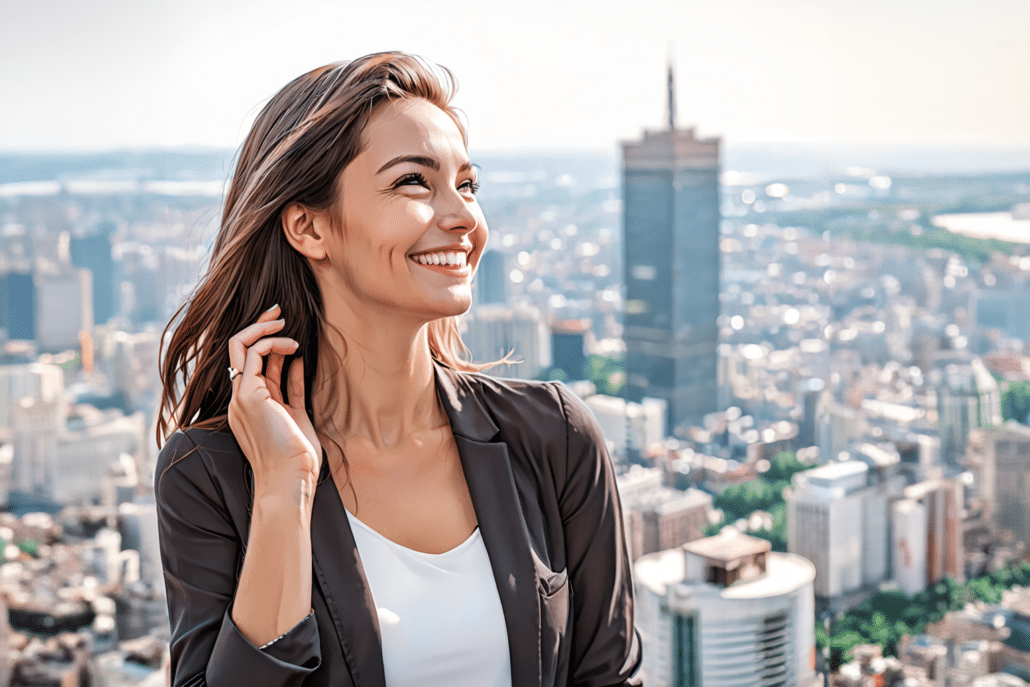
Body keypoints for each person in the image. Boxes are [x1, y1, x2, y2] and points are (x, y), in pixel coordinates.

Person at [154, 51, 642, 687]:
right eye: (415, 182)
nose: (464, 217)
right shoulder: (211, 476)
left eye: (467, 185)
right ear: (309, 226)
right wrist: (283, 491)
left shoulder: (552, 436)